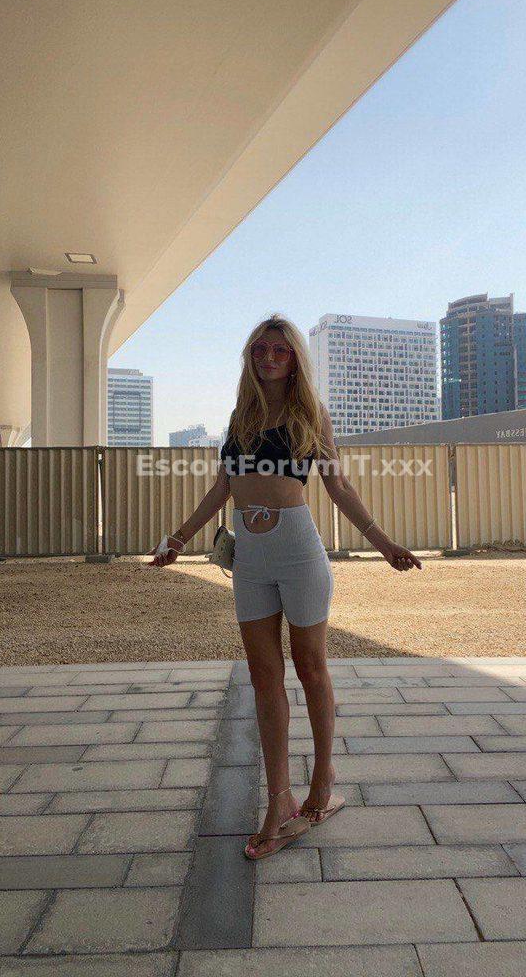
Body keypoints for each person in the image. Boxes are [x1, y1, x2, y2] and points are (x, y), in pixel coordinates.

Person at [149, 312, 421, 860]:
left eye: (279, 349)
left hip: (298, 550)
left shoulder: (310, 414)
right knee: (263, 676)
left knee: (310, 666)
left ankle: (323, 780)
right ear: (250, 357)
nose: (269, 357)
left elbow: (338, 487)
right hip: (249, 558)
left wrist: (383, 542)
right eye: (260, 349)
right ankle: (278, 799)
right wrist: (178, 538)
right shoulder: (241, 416)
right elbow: (221, 489)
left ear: (295, 358)